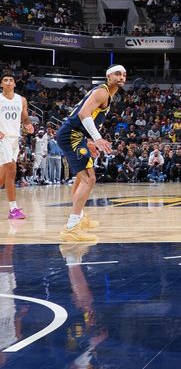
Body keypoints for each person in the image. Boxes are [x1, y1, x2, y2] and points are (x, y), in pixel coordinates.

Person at [56, 65, 126, 243]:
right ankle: (71, 227)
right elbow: (83, 114)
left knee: (82, 178)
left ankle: (79, 218)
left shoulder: (108, 95)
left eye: (124, 74)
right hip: (71, 135)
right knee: (89, 178)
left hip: (76, 135)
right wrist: (97, 138)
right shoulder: (102, 92)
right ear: (108, 76)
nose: (121, 77)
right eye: (117, 74)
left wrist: (89, 141)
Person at [0, 72, 34, 219]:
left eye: (11, 80)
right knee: (11, 170)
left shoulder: (21, 100)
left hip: (15, 139)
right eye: (5, 80)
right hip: (3, 138)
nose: (8, 82)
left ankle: (13, 208)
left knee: (2, 176)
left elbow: (25, 118)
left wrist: (28, 125)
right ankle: (13, 209)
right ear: (1, 84)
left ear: (14, 84)